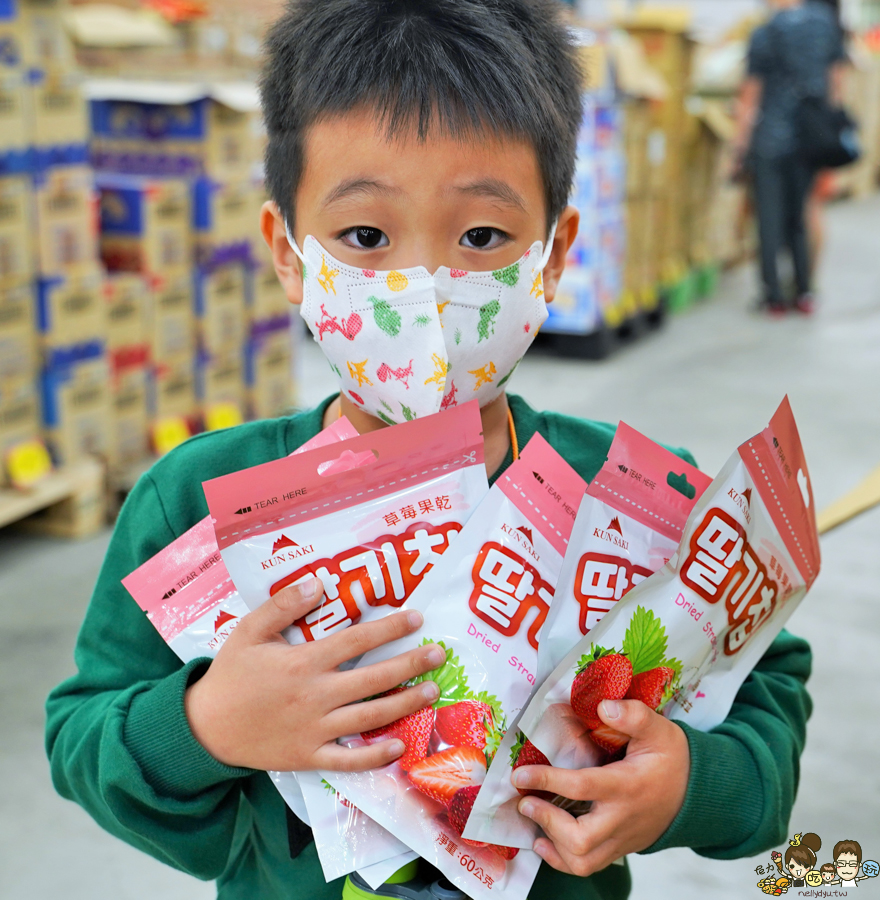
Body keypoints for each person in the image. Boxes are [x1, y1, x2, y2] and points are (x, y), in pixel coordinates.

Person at [45, 1, 814, 897]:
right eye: (365, 238)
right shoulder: (199, 502)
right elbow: (83, 739)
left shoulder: (634, 501)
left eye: (481, 237)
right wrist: (207, 723)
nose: (422, 292)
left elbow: (764, 692)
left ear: (554, 255)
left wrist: (688, 784)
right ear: (289, 254)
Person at [734, 0, 847, 315]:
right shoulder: (824, 25)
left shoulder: (764, 33)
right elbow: (836, 79)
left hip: (769, 139)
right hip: (808, 139)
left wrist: (739, 148)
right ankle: (804, 292)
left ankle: (773, 297)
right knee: (799, 216)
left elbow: (751, 95)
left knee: (768, 220)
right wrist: (832, 122)